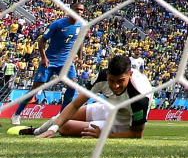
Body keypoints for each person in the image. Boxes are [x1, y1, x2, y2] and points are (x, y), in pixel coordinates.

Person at [8, 55, 152, 139]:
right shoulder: (101, 76)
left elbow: (137, 134)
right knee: (59, 119)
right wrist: (53, 128)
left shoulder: (139, 96)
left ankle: (52, 128)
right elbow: (75, 104)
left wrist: (104, 135)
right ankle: (37, 131)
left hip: (125, 121)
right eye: (111, 81)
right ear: (107, 74)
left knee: (64, 127)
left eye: (120, 81)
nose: (115, 86)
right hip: (111, 107)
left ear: (130, 75)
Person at [10, 8, 83, 125]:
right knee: (36, 89)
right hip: (49, 61)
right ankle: (17, 114)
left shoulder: (80, 25)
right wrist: (44, 58)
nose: (80, 12)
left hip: (66, 62)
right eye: (77, 10)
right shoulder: (58, 24)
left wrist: (80, 58)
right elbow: (42, 40)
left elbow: (80, 41)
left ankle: (61, 115)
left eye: (82, 10)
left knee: (72, 85)